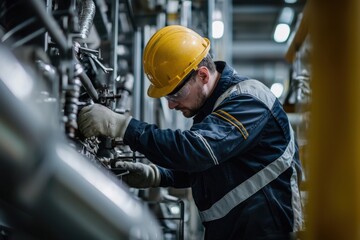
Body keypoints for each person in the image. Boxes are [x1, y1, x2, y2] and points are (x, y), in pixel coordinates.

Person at [78, 25, 303, 240]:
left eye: (175, 95)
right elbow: (211, 169)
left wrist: (122, 126)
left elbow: (197, 152)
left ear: (203, 76)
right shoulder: (213, 111)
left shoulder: (248, 101)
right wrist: (157, 175)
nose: (171, 106)